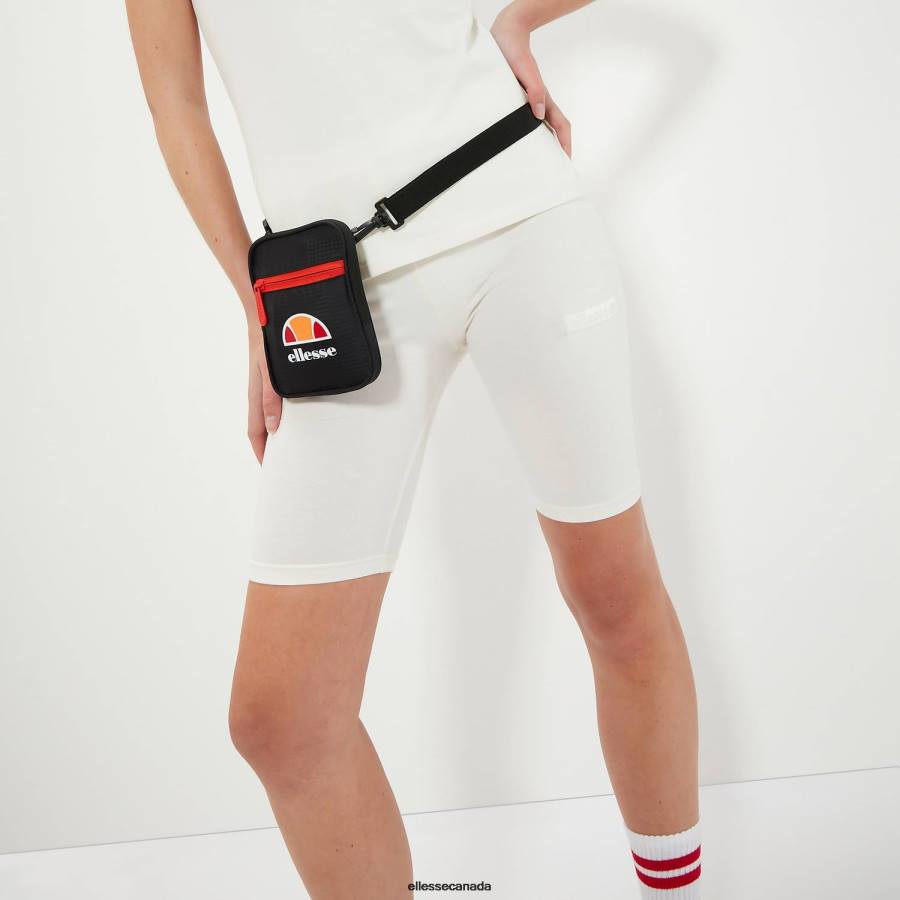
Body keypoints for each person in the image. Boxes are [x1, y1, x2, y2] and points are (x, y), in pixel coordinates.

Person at [124, 1, 701, 896]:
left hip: (518, 214)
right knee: (281, 717)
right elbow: (177, 109)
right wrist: (258, 309)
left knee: (615, 597)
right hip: (335, 295)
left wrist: (518, 21)